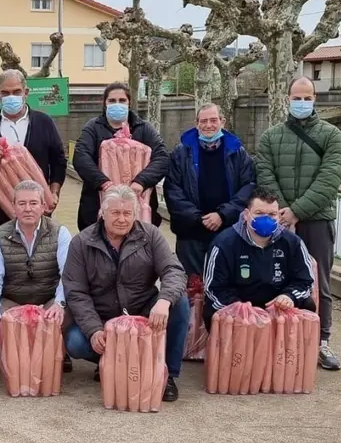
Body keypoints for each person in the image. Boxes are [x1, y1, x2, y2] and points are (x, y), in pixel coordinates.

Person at [62, 185, 189, 401]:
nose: (121, 219)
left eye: (127, 213)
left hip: (143, 311)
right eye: (115, 213)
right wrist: (94, 330)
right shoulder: (82, 242)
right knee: (75, 342)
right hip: (103, 316)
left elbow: (173, 270)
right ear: (103, 213)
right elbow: (76, 292)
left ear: (135, 214)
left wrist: (164, 300)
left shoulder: (150, 235)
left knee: (180, 304)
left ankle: (167, 374)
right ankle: (110, 363)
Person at [255, 76, 341, 369]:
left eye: (307, 98)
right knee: (273, 275)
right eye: (297, 97)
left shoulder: (332, 135)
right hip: (278, 221)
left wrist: (297, 211)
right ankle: (277, 338)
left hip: (316, 219)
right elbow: (265, 173)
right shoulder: (270, 137)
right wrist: (282, 211)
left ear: (314, 100)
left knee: (320, 280)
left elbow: (329, 179)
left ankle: (321, 341)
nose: (302, 103)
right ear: (287, 99)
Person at [0, 179, 74, 371]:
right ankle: (15, 350)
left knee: (69, 305)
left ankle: (59, 348)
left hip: (49, 299)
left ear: (43, 206)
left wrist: (59, 304)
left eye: (33, 203)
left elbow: (68, 274)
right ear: (14, 206)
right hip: (13, 301)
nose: (28, 209)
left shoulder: (61, 233)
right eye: (22, 203)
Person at [0, 69, 67, 241]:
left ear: (26, 93)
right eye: (5, 93)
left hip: (37, 207)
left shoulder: (44, 122)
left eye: (16, 92)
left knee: (40, 257)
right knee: (2, 258)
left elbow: (58, 160)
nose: (10, 96)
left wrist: (54, 191)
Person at [164, 103, 256, 277]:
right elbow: (172, 190)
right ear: (196, 123)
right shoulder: (181, 153)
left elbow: (248, 186)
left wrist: (222, 215)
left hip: (228, 229)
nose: (208, 125)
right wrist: (198, 218)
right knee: (191, 286)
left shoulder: (237, 152)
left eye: (213, 120)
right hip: (190, 231)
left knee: (225, 280)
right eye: (203, 121)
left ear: (223, 121)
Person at [203, 188, 316, 324]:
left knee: (308, 305)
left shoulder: (292, 242)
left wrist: (289, 296)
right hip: (238, 310)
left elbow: (305, 281)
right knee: (216, 313)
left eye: (272, 214)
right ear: (246, 214)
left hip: (277, 306)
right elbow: (213, 288)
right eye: (259, 213)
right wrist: (239, 307)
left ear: (279, 216)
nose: (266, 219)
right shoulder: (223, 244)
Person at [73, 81, 169, 231]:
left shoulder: (143, 129)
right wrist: (105, 183)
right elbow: (81, 157)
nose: (117, 104)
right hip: (97, 207)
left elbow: (162, 157)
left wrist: (140, 182)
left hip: (139, 208)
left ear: (129, 103)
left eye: (122, 100)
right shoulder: (92, 128)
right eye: (112, 101)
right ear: (104, 103)